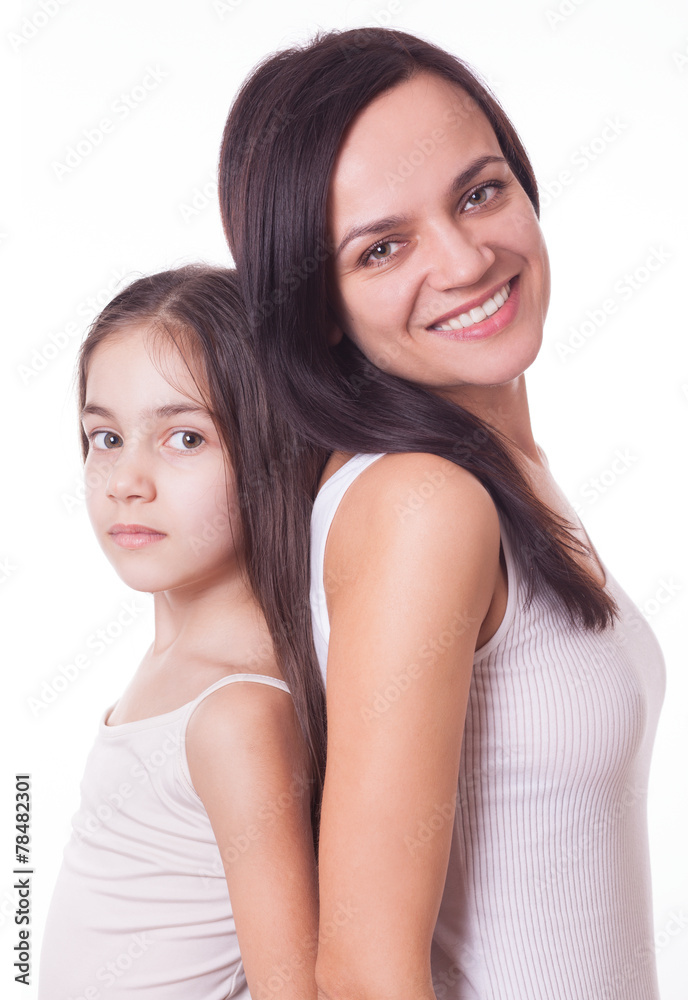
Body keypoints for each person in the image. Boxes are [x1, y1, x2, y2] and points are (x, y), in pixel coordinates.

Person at [218, 27, 667, 1000]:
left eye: (479, 191)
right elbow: (367, 974)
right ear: (320, 302)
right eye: (382, 247)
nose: (466, 259)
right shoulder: (422, 503)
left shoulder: (497, 476)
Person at [37, 265, 324, 999]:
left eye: (185, 438)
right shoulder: (178, 661)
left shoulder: (236, 713)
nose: (126, 479)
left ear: (270, 450)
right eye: (105, 436)